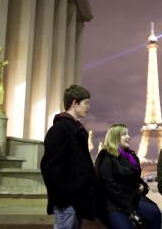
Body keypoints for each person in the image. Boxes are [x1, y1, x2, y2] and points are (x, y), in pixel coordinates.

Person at [40, 85, 95, 229]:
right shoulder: (59, 130)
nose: (88, 107)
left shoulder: (76, 130)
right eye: (86, 103)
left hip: (77, 199)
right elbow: (49, 168)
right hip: (67, 201)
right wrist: (63, 199)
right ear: (74, 103)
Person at [95, 124, 161, 229]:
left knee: (155, 213)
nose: (128, 137)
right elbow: (108, 185)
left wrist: (143, 186)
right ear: (115, 136)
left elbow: (136, 178)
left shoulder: (130, 156)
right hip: (113, 203)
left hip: (132, 198)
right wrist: (129, 209)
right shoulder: (105, 156)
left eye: (128, 133)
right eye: (124, 134)